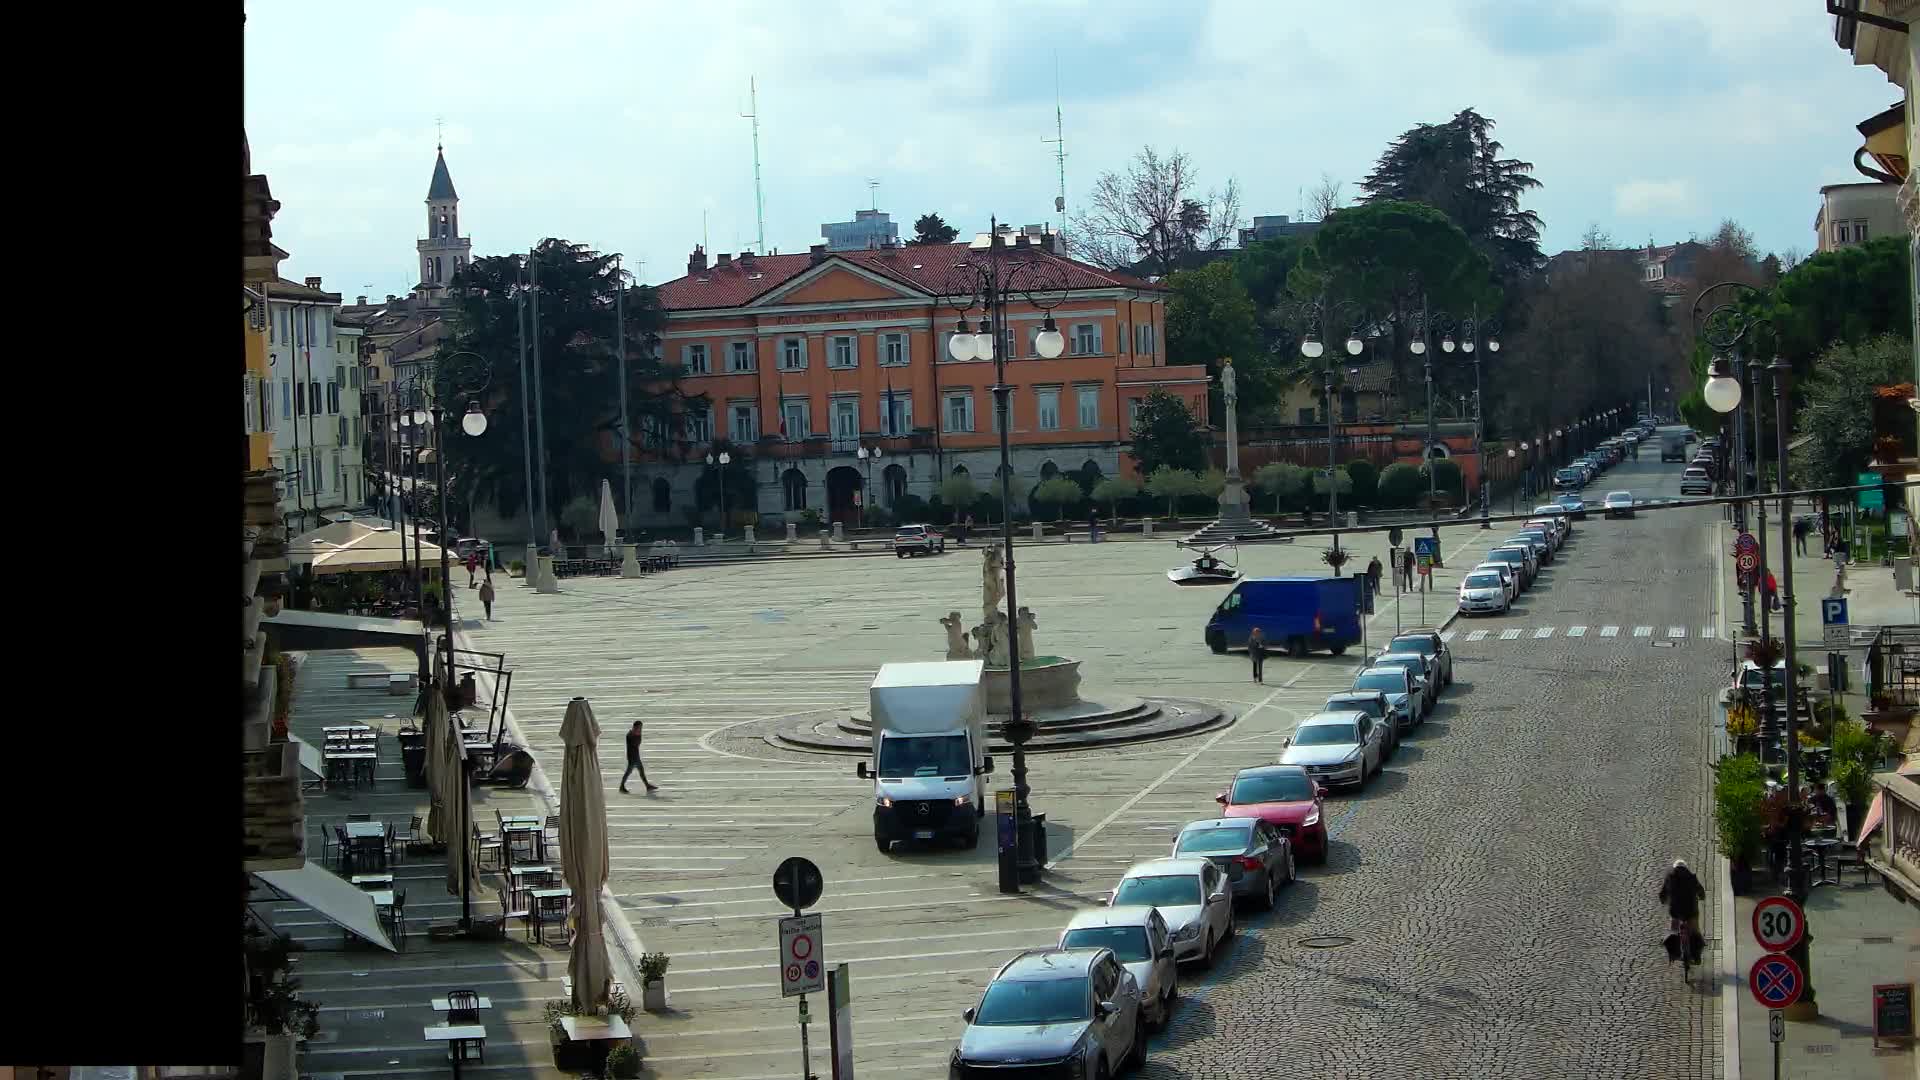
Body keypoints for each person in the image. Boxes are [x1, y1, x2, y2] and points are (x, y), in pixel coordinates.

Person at [1659, 859, 1706, 965]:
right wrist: (1702, 897)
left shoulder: (1669, 878)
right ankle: (1697, 955)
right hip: (1691, 910)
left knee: (1673, 930)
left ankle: (1673, 953)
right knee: (1695, 931)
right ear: (1686, 867)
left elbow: (1662, 894)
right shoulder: (1692, 877)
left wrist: (1664, 900)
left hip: (1675, 911)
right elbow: (1700, 891)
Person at [620, 720, 659, 794]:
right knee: (628, 772)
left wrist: (638, 735)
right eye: (640, 727)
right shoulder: (630, 735)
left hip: (636, 756)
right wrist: (637, 735)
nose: (641, 729)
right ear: (635, 727)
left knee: (641, 771)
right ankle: (621, 787)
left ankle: (647, 786)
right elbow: (635, 744)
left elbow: (638, 743)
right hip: (632, 757)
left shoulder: (636, 734)